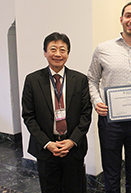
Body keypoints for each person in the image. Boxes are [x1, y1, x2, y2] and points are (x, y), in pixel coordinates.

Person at [87, 2, 131, 192]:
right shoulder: (103, 49)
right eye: (128, 15)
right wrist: (97, 101)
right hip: (110, 121)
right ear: (121, 20)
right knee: (111, 175)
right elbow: (92, 79)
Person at [22, 32, 92, 193]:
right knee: (49, 189)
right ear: (45, 52)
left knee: (75, 188)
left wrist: (72, 141)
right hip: (46, 148)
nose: (58, 54)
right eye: (53, 49)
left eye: (63, 50)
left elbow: (86, 114)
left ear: (68, 53)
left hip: (73, 148)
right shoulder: (32, 80)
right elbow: (28, 116)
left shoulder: (80, 80)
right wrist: (48, 144)